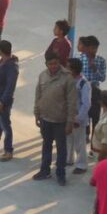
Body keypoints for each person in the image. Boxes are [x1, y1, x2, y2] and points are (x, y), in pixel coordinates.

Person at [33, 50, 77, 185]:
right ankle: (45, 170)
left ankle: (60, 173)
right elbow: (38, 95)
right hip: (45, 118)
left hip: (60, 121)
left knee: (61, 148)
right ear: (46, 64)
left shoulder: (67, 78)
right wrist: (37, 113)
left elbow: (71, 101)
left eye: (56, 63)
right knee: (46, 145)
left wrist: (70, 121)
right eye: (50, 64)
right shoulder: (42, 76)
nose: (53, 66)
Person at [0, 40, 19, 161]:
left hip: (3, 100)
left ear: (1, 50)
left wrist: (3, 101)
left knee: (5, 125)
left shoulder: (12, 67)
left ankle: (8, 149)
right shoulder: (2, 61)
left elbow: (10, 86)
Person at [68, 58, 92, 174]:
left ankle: (82, 165)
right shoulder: (69, 80)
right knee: (68, 139)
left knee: (79, 142)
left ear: (73, 70)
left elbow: (86, 103)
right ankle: (69, 159)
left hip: (78, 118)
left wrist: (78, 119)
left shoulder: (83, 83)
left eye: (68, 67)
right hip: (68, 116)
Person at [80, 35, 107, 135]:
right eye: (92, 48)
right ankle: (85, 135)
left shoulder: (101, 60)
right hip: (83, 91)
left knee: (95, 116)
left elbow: (103, 78)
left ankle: (94, 139)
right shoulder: (80, 58)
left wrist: (96, 70)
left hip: (96, 92)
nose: (94, 50)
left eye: (96, 48)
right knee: (84, 114)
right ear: (86, 48)